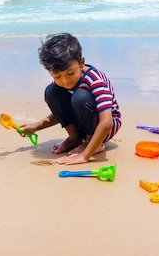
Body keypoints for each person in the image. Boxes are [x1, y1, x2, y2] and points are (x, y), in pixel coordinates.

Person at [19, 33, 122, 165]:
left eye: (70, 73)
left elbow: (107, 122)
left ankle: (93, 143)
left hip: (104, 128)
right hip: (83, 122)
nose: (65, 81)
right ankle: (75, 137)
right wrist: (35, 126)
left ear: (81, 63)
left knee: (80, 97)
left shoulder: (95, 79)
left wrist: (85, 156)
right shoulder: (60, 83)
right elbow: (62, 112)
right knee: (52, 91)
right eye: (57, 76)